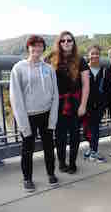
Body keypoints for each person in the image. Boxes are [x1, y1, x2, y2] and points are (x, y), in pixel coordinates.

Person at [10, 35, 59, 192]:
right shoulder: (18, 68)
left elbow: (55, 95)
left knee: (49, 147)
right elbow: (15, 97)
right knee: (27, 149)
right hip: (28, 115)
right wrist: (23, 123)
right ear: (28, 48)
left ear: (43, 48)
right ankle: (27, 178)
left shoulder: (49, 69)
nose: (37, 49)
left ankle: (51, 174)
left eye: (40, 46)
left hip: (46, 113)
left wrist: (53, 118)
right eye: (33, 46)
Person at [46, 31, 89, 174]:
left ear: (73, 42)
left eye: (69, 40)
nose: (66, 43)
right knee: (60, 135)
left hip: (75, 103)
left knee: (75, 134)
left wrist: (83, 105)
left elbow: (86, 84)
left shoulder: (80, 60)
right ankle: (61, 162)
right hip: (57, 104)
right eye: (63, 41)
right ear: (59, 43)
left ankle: (72, 163)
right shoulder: (51, 59)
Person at [82, 45, 107, 163]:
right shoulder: (84, 70)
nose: (94, 56)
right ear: (88, 55)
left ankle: (94, 150)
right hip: (86, 104)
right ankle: (91, 148)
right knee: (87, 128)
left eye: (97, 53)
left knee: (96, 128)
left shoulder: (104, 71)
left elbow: (107, 88)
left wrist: (105, 104)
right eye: (92, 53)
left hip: (99, 105)